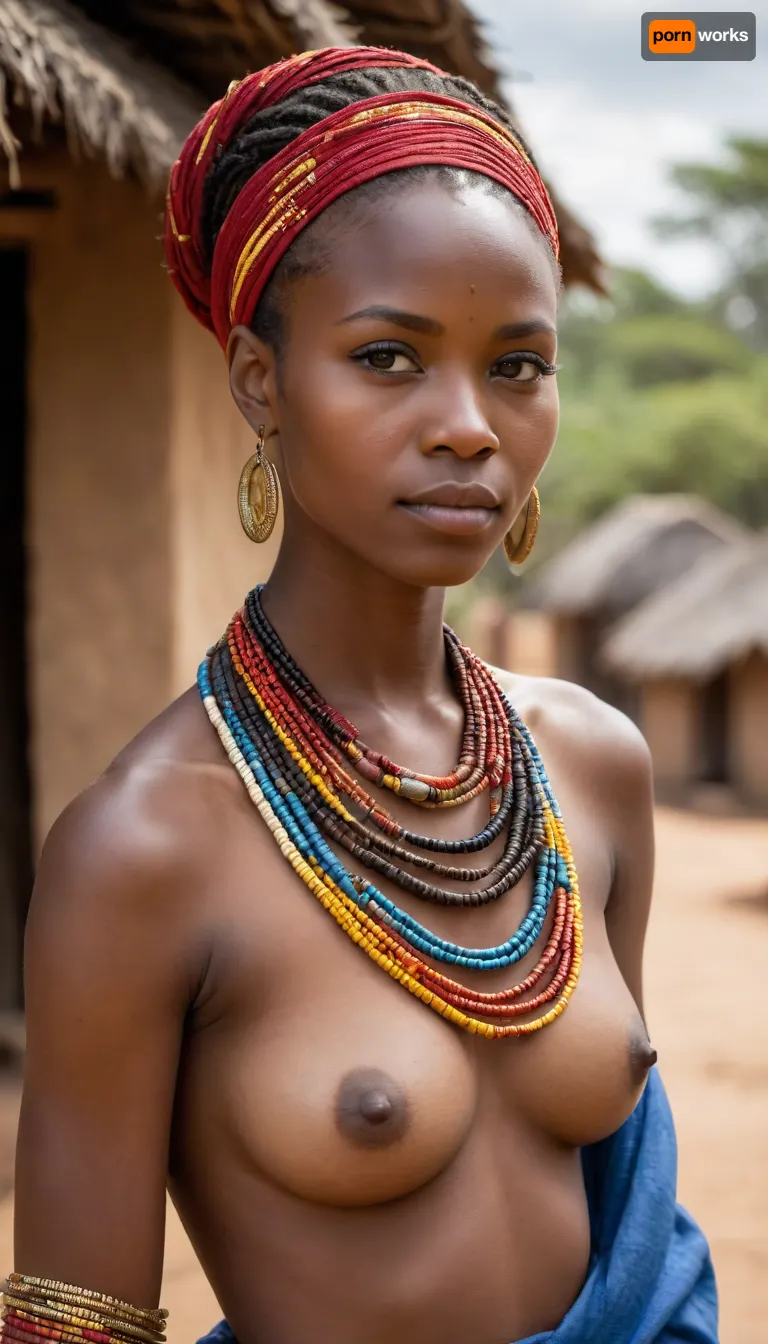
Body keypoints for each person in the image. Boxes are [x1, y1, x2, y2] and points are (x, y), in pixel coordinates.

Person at [4, 45, 717, 1344]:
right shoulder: (147, 848)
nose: (469, 425)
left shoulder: (592, 767)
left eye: (518, 364)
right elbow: (74, 1331)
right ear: (260, 385)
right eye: (390, 359)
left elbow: (629, 1215)